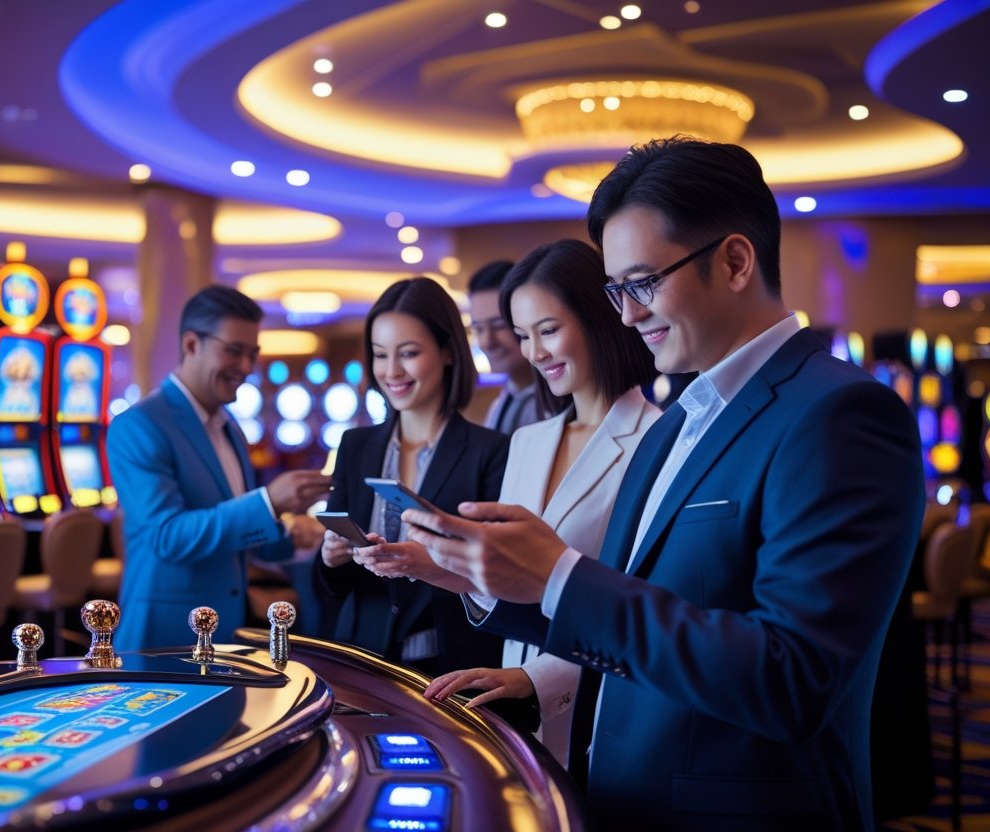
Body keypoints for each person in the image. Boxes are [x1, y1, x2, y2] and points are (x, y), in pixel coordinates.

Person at [405, 137, 924, 830]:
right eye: (616, 290)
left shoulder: (839, 412)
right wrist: (494, 581)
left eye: (643, 283)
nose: (626, 314)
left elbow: (794, 677)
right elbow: (637, 616)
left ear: (735, 262)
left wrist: (558, 576)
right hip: (619, 797)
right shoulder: (675, 422)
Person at [416, 240, 659, 768]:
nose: (534, 353)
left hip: (604, 709)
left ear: (600, 317)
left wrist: (537, 678)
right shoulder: (528, 441)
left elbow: (643, 611)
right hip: (516, 710)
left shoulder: (657, 440)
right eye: (523, 336)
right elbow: (514, 586)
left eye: (548, 330)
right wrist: (446, 568)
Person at [108, 285, 331, 652]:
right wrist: (269, 503)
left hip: (223, 635)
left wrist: (292, 536)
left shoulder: (230, 428)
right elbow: (167, 536)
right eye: (234, 350)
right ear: (191, 344)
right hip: (162, 639)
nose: (246, 367)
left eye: (252, 354)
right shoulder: (139, 425)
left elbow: (234, 536)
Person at [312, 277, 509, 676]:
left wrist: (432, 563)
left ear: (448, 352)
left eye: (408, 353)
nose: (391, 371)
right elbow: (329, 588)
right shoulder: (355, 446)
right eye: (380, 355)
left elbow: (499, 578)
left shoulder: (491, 452)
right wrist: (331, 559)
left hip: (449, 667)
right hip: (359, 663)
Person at [468, 260, 542, 433]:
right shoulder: (502, 402)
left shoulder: (560, 402)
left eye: (499, 325)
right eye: (478, 329)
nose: (487, 342)